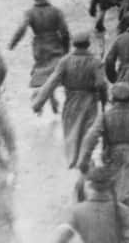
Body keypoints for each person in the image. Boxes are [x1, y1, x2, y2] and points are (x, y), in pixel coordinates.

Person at [78, 83, 129, 241]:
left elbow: (91, 138)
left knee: (115, 197)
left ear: (112, 99)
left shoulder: (105, 117)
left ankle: (120, 234)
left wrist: (84, 160)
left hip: (113, 160)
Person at [33, 32, 109, 167]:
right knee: (87, 133)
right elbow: (101, 84)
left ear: (74, 45)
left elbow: (52, 81)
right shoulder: (95, 62)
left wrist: (39, 103)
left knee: (71, 133)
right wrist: (104, 101)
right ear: (88, 44)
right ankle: (84, 163)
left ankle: (72, 163)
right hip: (90, 101)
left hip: (71, 101)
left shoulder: (65, 61)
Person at [9, 0, 70, 115]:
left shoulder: (30, 13)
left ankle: (48, 98)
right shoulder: (56, 11)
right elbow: (64, 31)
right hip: (55, 43)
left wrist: (13, 43)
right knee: (55, 71)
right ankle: (51, 99)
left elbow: (22, 29)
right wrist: (66, 48)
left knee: (43, 72)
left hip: (39, 46)